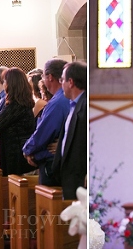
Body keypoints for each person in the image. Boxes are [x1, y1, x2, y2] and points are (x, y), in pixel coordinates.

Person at [23, 59, 70, 186]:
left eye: (43, 76)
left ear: (49, 77)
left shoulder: (57, 102)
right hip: (59, 160)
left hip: (52, 163)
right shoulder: (63, 99)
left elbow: (44, 132)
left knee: (49, 203)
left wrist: (28, 150)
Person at [0, 68, 37, 176]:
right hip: (15, 154)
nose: (3, 84)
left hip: (17, 157)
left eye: (4, 81)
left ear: (11, 84)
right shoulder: (22, 102)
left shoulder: (16, 105)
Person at [52, 61, 89, 200]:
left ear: (71, 82)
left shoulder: (85, 107)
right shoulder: (73, 105)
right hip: (68, 177)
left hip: (79, 179)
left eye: (62, 80)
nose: (61, 84)